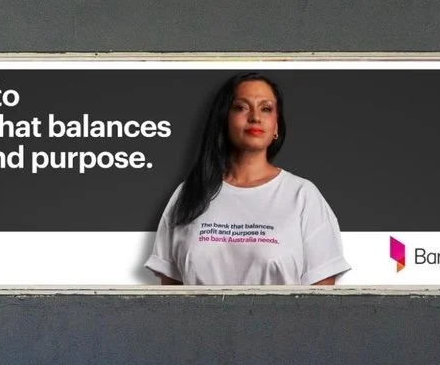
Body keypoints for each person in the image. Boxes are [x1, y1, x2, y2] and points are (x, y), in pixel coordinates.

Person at [148, 72, 349, 287]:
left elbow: (322, 297)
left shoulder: (303, 196)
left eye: (266, 109)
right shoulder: (189, 193)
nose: (255, 117)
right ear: (224, 119)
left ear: (276, 126)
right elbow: (169, 296)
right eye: (241, 107)